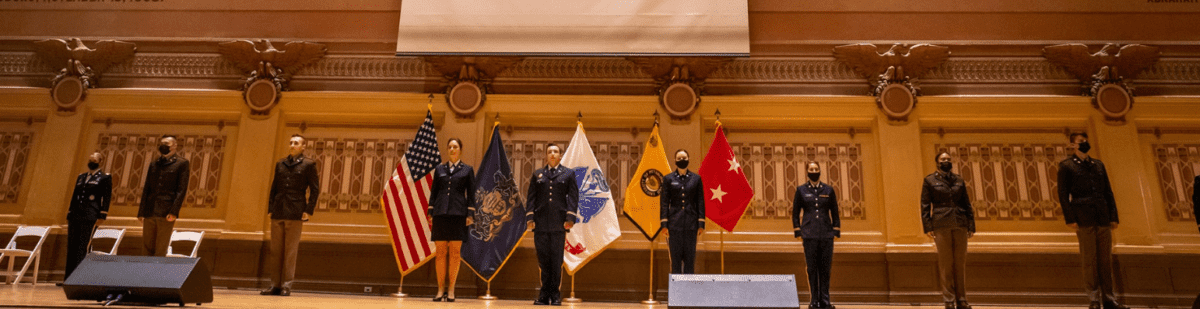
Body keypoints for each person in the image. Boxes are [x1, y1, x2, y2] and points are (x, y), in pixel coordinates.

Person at [1058, 132, 1128, 309]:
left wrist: (1113, 216)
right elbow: (1063, 195)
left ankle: (1109, 298)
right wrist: (1070, 218)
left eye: (1085, 141)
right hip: (1083, 218)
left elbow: (1108, 192)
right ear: (1072, 145)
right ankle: (1094, 298)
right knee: (1089, 260)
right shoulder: (1067, 166)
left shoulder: (1098, 165)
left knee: (1105, 259)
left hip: (1102, 216)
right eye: (1081, 142)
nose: (1084, 144)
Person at [261, 134, 320, 297]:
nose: (292, 145)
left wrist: (308, 210)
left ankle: (286, 285)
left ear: (303, 147)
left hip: (295, 210)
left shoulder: (309, 164)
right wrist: (271, 207)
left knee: (290, 251)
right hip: (279, 209)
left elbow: (314, 189)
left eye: (296, 143)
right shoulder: (280, 163)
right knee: (276, 251)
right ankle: (275, 285)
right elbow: (274, 187)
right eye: (291, 142)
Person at [525, 143, 578, 306]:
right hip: (540, 224)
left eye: (556, 151)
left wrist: (570, 217)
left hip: (558, 224)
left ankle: (555, 295)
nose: (553, 154)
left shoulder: (567, 174)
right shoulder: (538, 174)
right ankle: (543, 295)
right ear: (546, 156)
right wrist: (530, 218)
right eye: (550, 152)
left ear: (560, 155)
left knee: (556, 261)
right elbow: (531, 198)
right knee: (543, 260)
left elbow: (573, 198)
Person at [921, 152, 975, 309]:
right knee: (946, 264)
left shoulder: (958, 180)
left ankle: (962, 299)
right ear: (937, 162)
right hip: (941, 223)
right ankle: (949, 300)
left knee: (960, 263)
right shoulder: (929, 180)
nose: (946, 161)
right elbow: (925, 205)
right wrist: (928, 226)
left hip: (960, 222)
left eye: (948, 159)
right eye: (943, 159)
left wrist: (971, 225)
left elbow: (966, 203)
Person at [426, 138, 475, 302]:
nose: (452, 149)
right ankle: (440, 290)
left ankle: (451, 290)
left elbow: (471, 195)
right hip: (440, 213)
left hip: (458, 214)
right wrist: (430, 212)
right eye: (450, 147)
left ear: (460, 150)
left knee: (455, 252)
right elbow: (434, 192)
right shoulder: (439, 169)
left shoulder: (467, 170)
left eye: (455, 147)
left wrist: (470, 215)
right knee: (440, 252)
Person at [792, 161, 840, 309]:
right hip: (809, 235)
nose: (814, 171)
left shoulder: (829, 190)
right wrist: (798, 231)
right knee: (812, 268)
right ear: (807, 172)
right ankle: (814, 300)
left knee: (825, 268)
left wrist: (836, 230)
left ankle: (825, 300)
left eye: (816, 169)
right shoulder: (801, 190)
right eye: (811, 169)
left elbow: (835, 212)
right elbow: (795, 213)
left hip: (826, 234)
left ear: (820, 171)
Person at [138, 135, 189, 257]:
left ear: (175, 145)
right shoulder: (154, 163)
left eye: (166, 143)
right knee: (146, 248)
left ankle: (156, 275)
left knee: (160, 248)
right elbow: (147, 188)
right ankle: (144, 275)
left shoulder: (182, 163)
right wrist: (141, 211)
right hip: (150, 210)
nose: (163, 146)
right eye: (161, 143)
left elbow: (181, 190)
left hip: (166, 212)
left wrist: (174, 212)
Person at [63, 152, 112, 281]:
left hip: (90, 215)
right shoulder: (81, 177)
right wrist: (70, 212)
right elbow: (75, 196)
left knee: (83, 246)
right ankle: (68, 277)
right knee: (72, 245)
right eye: (90, 159)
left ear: (100, 162)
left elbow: (106, 197)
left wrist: (103, 214)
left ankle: (79, 277)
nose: (91, 162)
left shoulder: (104, 177)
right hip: (75, 215)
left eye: (94, 160)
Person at [660, 149, 705, 275]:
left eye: (684, 157)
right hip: (674, 226)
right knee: (675, 262)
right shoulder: (668, 179)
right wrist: (664, 224)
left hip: (691, 225)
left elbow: (700, 201)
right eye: (679, 158)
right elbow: (664, 202)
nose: (682, 160)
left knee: (690, 261)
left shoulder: (696, 179)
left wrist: (700, 224)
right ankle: (676, 294)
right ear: (675, 161)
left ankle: (689, 293)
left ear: (688, 158)